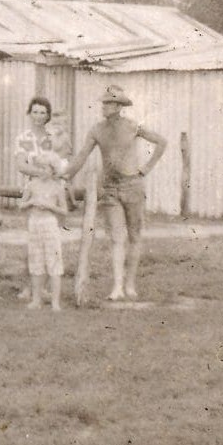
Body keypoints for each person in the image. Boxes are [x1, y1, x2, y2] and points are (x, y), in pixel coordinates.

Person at [63, 85, 166, 301]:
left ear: (119, 106)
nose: (104, 107)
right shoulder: (97, 130)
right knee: (117, 238)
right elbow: (81, 156)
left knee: (135, 236)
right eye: (104, 103)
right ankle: (117, 286)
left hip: (133, 186)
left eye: (109, 103)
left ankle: (130, 284)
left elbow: (161, 142)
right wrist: (64, 175)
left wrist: (145, 169)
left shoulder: (133, 126)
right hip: (110, 189)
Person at [19, 150, 69, 310]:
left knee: (53, 263)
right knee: (36, 263)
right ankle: (36, 300)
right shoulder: (31, 185)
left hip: (49, 223)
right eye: (39, 168)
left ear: (53, 170)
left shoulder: (57, 187)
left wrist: (49, 206)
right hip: (34, 223)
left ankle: (55, 302)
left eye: (46, 168)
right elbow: (21, 205)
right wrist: (31, 202)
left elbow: (64, 210)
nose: (42, 171)